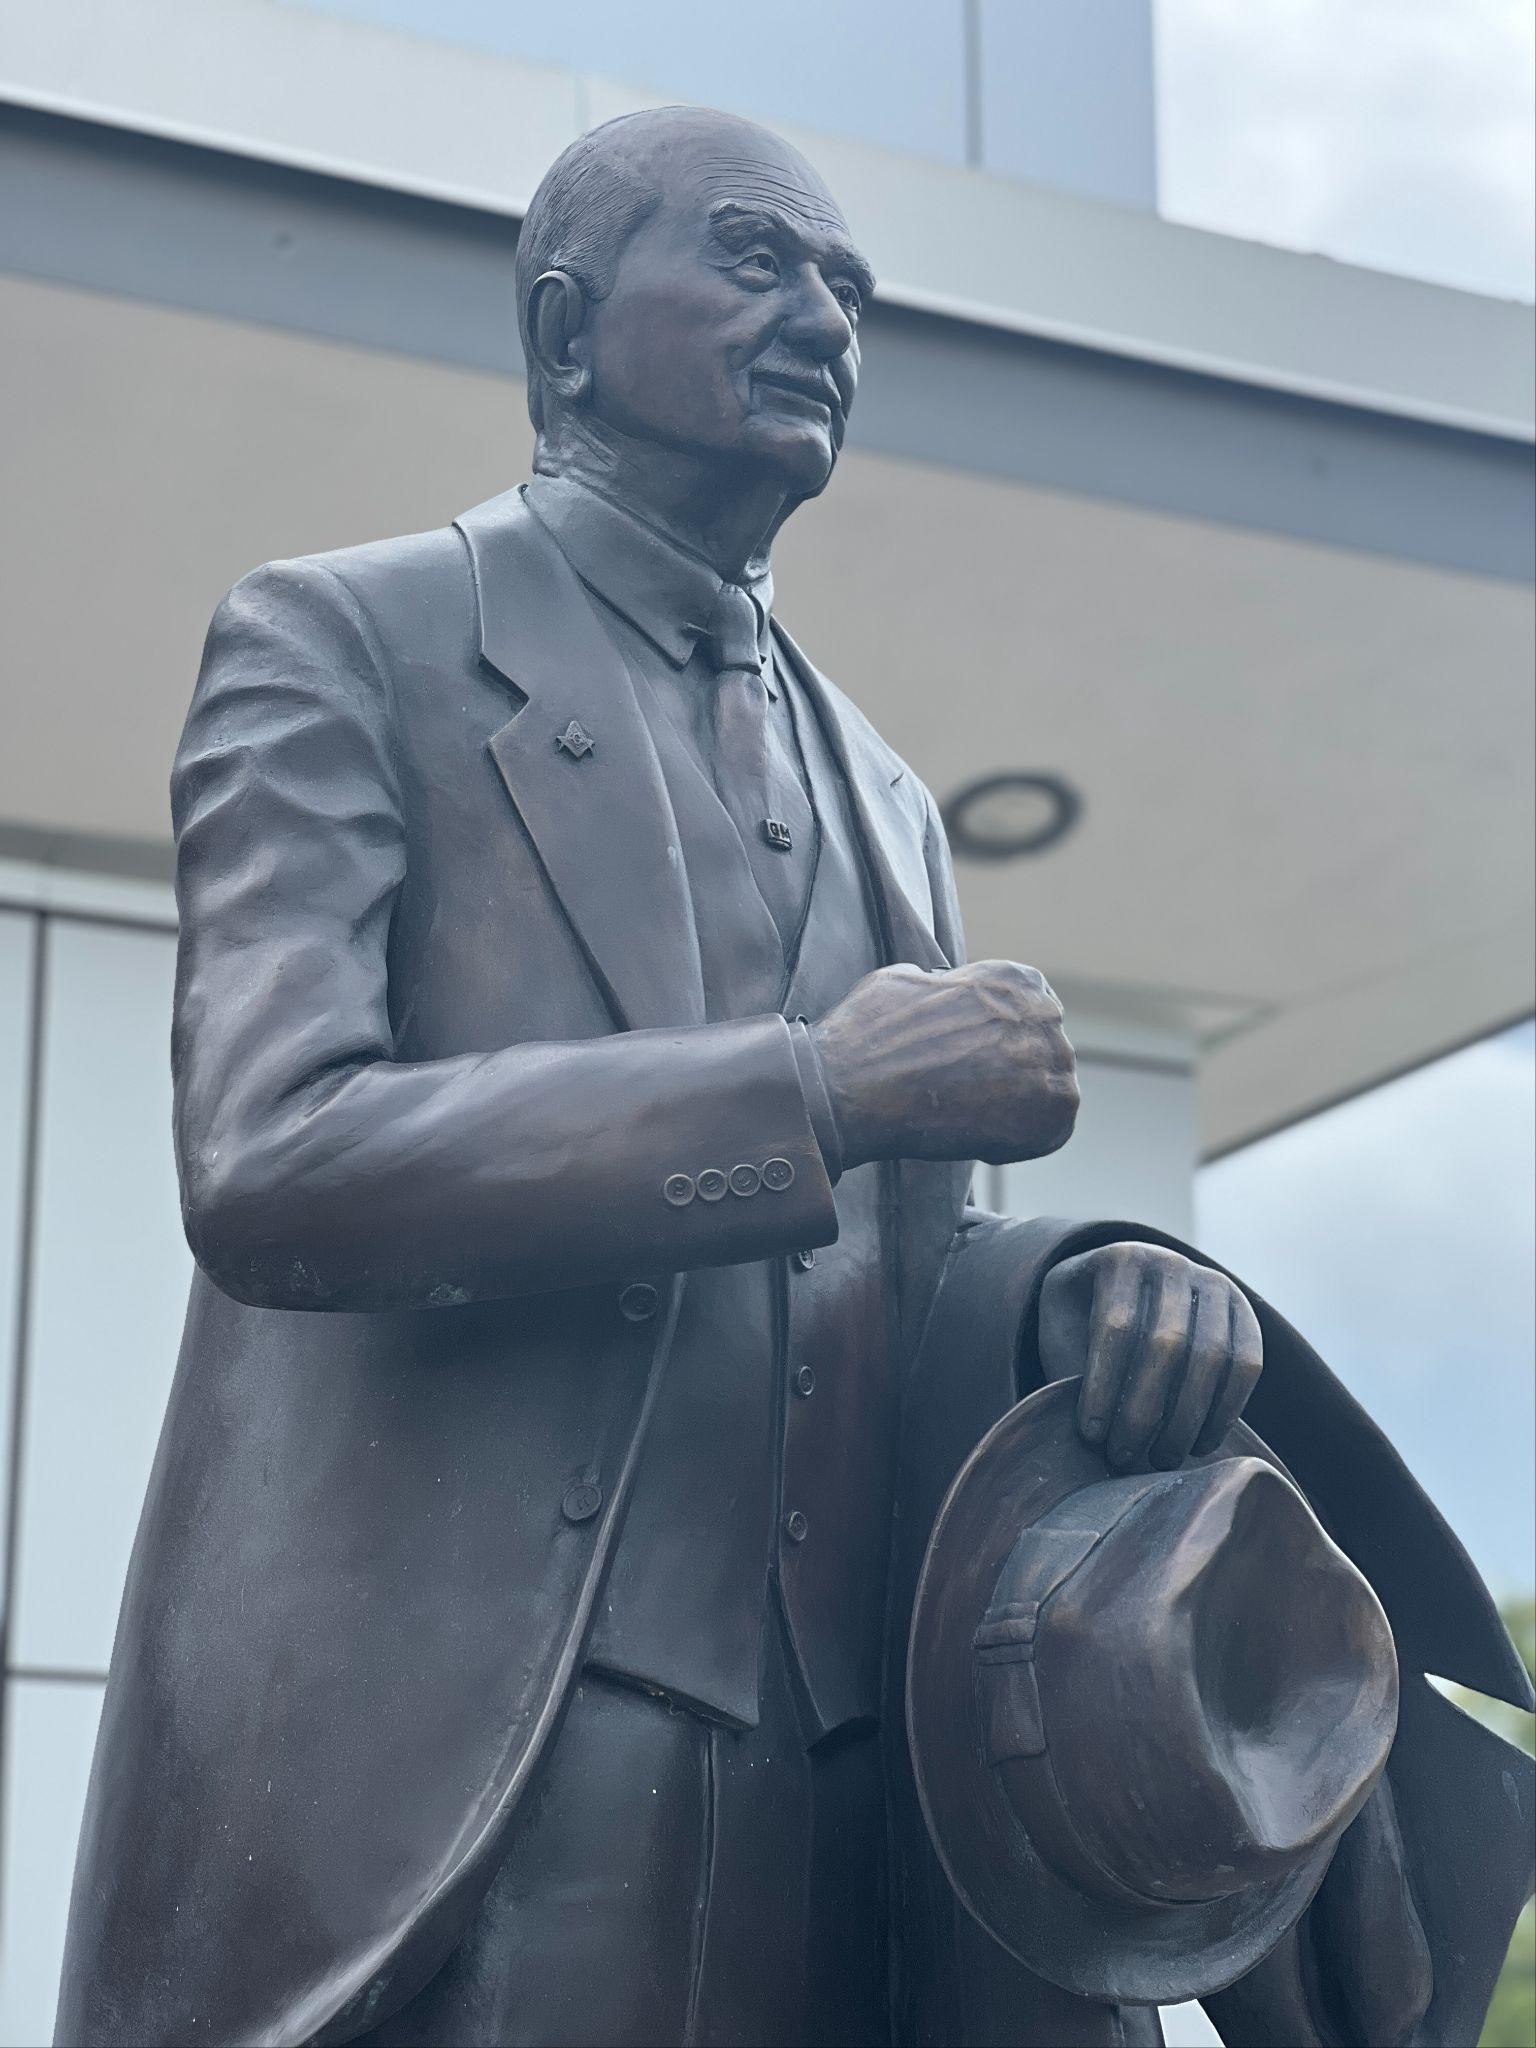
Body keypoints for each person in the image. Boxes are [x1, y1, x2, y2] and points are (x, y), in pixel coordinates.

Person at [55, 107, 1528, 2048]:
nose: (825, 316)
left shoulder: (894, 799)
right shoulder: (348, 642)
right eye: (757, 260)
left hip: (866, 1798)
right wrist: (812, 1093)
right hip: (482, 1772)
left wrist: (1081, 1287)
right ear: (568, 332)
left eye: (852, 286)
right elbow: (270, 1159)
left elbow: (907, 1282)